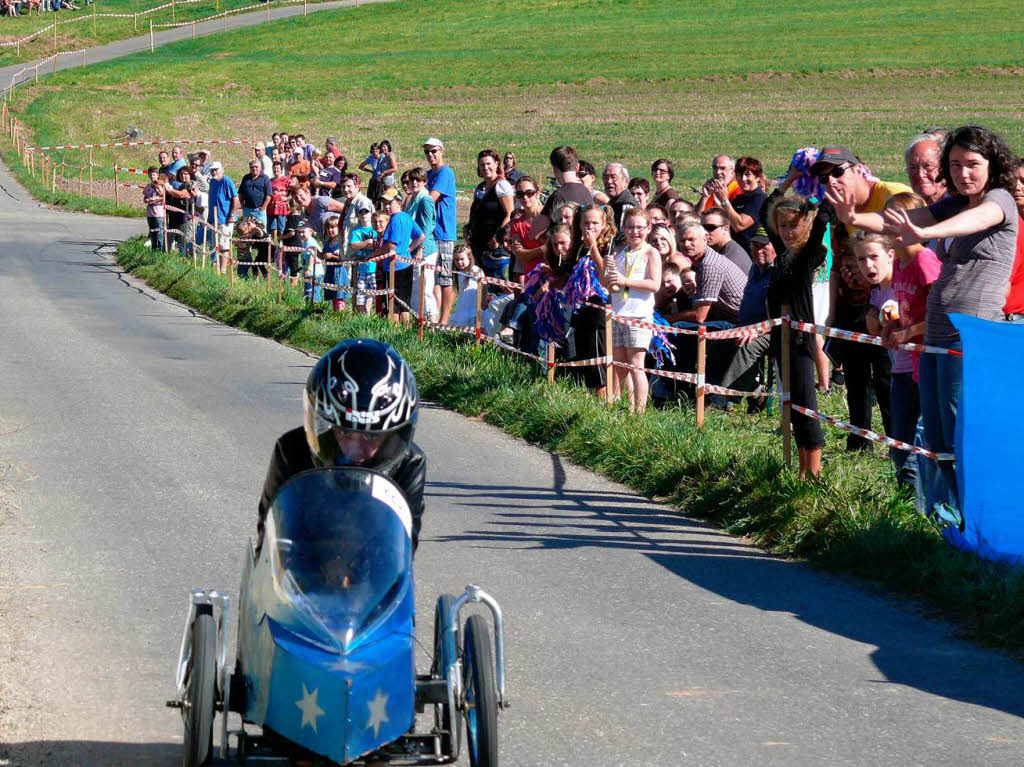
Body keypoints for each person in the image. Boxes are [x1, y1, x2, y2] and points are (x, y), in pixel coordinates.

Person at [853, 124, 1019, 522]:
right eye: (956, 164)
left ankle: (978, 519)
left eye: (973, 164)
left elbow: (974, 221)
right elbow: (901, 220)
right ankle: (944, 520)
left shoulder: (998, 200)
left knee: (962, 430)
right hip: (937, 334)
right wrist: (853, 214)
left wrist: (927, 232)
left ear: (991, 164)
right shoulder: (955, 203)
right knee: (937, 437)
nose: (963, 173)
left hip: (971, 334)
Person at [256, 339, 425, 555]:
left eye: (370, 436)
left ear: (392, 435)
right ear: (323, 425)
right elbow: (268, 549)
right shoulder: (291, 451)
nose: (354, 451)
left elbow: (402, 551)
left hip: (372, 574)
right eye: (345, 433)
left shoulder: (409, 464)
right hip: (302, 571)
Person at [606, 208, 661, 413]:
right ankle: (628, 407)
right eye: (630, 227)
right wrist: (609, 268)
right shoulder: (622, 252)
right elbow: (611, 286)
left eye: (639, 227)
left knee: (636, 365)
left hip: (639, 316)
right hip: (619, 313)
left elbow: (655, 284)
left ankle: (639, 411)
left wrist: (625, 280)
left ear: (648, 229)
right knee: (621, 367)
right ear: (624, 229)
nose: (634, 232)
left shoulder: (650, 252)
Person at [675, 220, 747, 325]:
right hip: (726, 316)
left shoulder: (709, 265)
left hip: (739, 323)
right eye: (682, 240)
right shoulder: (701, 262)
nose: (686, 244)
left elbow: (699, 316)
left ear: (705, 239)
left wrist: (668, 318)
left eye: (691, 240)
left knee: (677, 326)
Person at [371, 196, 425, 326]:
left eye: (390, 203)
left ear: (399, 203)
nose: (387, 206)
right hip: (406, 263)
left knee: (393, 302)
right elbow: (421, 236)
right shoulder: (406, 217)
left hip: (394, 266)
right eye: (385, 203)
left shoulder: (395, 220)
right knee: (404, 302)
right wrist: (410, 249)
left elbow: (391, 246)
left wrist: (373, 255)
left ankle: (394, 332)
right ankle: (405, 331)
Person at [424, 138, 458, 324]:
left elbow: (430, 199)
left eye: (434, 151)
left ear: (442, 151)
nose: (431, 155)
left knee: (445, 278)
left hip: (444, 231)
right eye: (427, 152)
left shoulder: (445, 172)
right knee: (434, 277)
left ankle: (445, 321)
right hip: (430, 233)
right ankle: (435, 317)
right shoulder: (429, 174)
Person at [468, 148, 515, 280]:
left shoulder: (502, 185)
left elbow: (509, 213)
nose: (485, 167)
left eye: (488, 164)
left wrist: (497, 237)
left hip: (495, 248)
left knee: (497, 287)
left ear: (496, 164)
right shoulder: (480, 188)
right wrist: (468, 228)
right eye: (482, 164)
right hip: (478, 244)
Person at [529, 145, 593, 240]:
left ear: (555, 170)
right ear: (577, 167)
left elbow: (534, 233)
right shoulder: (587, 193)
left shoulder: (558, 196)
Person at [402, 167, 439, 321]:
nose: (414, 182)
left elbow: (427, 227)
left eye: (418, 180)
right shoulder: (412, 199)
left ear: (425, 182)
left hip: (425, 250)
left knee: (425, 289)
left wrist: (420, 249)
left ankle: (431, 323)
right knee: (416, 288)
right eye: (412, 180)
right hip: (414, 248)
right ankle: (419, 322)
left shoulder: (425, 199)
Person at [717, 156, 767, 253]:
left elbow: (740, 225)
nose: (743, 179)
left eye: (748, 175)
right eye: (739, 175)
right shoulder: (738, 199)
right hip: (734, 251)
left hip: (750, 255)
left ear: (757, 177)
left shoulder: (759, 198)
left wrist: (724, 199)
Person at [508, 176, 545, 281]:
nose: (525, 197)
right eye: (520, 194)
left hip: (553, 277)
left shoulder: (550, 215)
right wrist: (542, 250)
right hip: (531, 278)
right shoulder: (516, 223)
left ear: (537, 194)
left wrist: (528, 253)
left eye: (529, 193)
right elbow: (520, 255)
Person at [206, 161, 240, 274]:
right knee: (214, 244)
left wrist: (231, 215)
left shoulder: (227, 181)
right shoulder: (212, 182)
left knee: (224, 245)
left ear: (221, 170)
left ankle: (223, 270)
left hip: (225, 218)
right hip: (213, 218)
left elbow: (235, 200)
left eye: (216, 170)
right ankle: (216, 267)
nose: (214, 172)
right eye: (212, 170)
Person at [701, 207, 752, 274]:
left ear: (725, 229)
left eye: (710, 227)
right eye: (702, 228)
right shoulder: (726, 250)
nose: (705, 232)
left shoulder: (731, 258)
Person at [904, 132, 947, 205]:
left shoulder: (960, 206)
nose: (920, 175)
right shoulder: (907, 206)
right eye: (913, 168)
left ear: (944, 167)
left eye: (928, 166)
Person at [349, 208, 378, 315]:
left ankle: (369, 314)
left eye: (366, 212)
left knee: (373, 293)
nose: (363, 214)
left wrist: (363, 244)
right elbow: (353, 246)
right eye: (360, 212)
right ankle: (362, 317)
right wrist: (367, 242)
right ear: (357, 215)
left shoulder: (376, 227)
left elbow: (377, 245)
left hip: (375, 266)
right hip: (361, 267)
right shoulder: (355, 230)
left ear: (371, 213)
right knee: (360, 294)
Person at [448, 245, 484, 327]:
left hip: (474, 304)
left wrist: (483, 300)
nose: (459, 262)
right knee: (464, 326)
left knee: (478, 325)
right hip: (463, 304)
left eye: (462, 259)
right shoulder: (458, 273)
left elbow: (483, 285)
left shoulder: (475, 270)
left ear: (469, 258)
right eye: (456, 260)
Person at [602, 163, 638, 234]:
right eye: (606, 177)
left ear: (626, 181)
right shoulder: (614, 202)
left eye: (613, 177)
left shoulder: (627, 205)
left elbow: (625, 236)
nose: (609, 181)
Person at [239, 159, 273, 228]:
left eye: (256, 167)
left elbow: (269, 195)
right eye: (252, 167)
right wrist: (242, 205)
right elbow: (240, 193)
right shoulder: (246, 178)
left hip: (259, 210)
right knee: (246, 230)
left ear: (260, 168)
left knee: (261, 231)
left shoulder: (265, 178)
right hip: (247, 209)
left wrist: (263, 207)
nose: (254, 168)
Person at [268, 161, 293, 242]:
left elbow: (294, 191)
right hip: (271, 207)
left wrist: (287, 198)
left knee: (281, 228)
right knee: (272, 228)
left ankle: (281, 245)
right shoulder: (270, 181)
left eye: (278, 168)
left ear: (281, 169)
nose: (276, 170)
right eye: (274, 168)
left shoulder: (286, 180)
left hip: (281, 207)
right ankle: (274, 246)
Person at [143, 167, 166, 251]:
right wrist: (146, 199)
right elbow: (145, 197)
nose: (152, 176)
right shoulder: (148, 186)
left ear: (157, 175)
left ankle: (160, 251)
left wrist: (155, 199)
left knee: (160, 233)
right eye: (150, 174)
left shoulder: (161, 185)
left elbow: (164, 198)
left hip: (159, 212)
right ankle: (153, 250)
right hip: (150, 212)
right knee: (152, 232)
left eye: (154, 174)